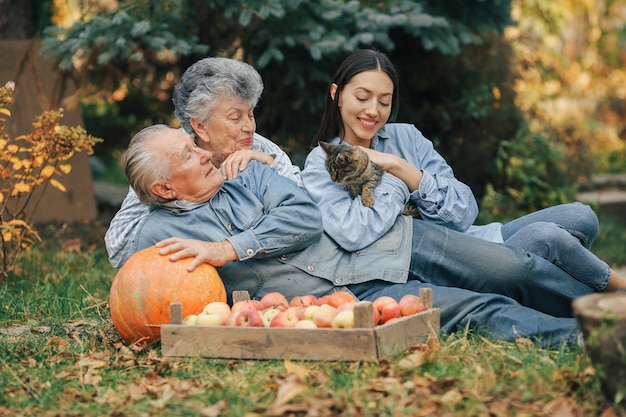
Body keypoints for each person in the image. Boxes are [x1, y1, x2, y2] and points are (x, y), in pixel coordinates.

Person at [123, 124, 581, 348]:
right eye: (187, 153)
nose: (204, 153)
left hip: (392, 241)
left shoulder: (245, 173)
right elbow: (148, 295)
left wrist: (226, 249)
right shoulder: (159, 238)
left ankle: (602, 310)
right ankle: (582, 338)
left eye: (195, 144)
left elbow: (304, 217)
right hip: (347, 298)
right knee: (478, 308)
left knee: (514, 267)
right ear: (163, 188)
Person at [301, 49, 626, 318]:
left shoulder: (407, 138)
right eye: (362, 97)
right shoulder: (324, 164)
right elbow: (352, 233)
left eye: (384, 101)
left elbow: (464, 210)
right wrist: (396, 182)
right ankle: (610, 308)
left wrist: (402, 167)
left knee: (581, 216)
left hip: (474, 239)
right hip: (440, 258)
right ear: (337, 95)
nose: (373, 110)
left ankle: (529, 281)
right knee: (548, 238)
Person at [104, 57, 302, 268]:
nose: (249, 127)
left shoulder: (264, 151)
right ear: (200, 126)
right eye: (235, 118)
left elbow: (304, 212)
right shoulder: (165, 154)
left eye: (250, 115)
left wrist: (265, 172)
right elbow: (119, 247)